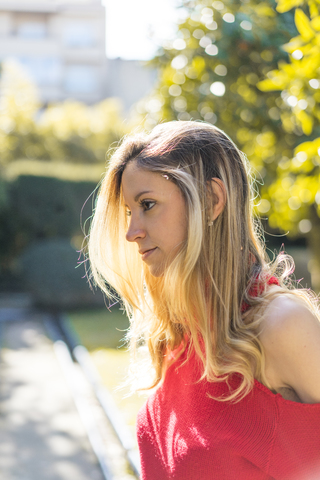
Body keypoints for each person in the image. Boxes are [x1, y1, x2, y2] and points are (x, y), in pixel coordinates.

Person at [88, 120, 320, 479]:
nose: (132, 232)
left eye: (147, 204)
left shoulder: (282, 324)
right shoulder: (176, 335)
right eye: (129, 212)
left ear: (212, 200)